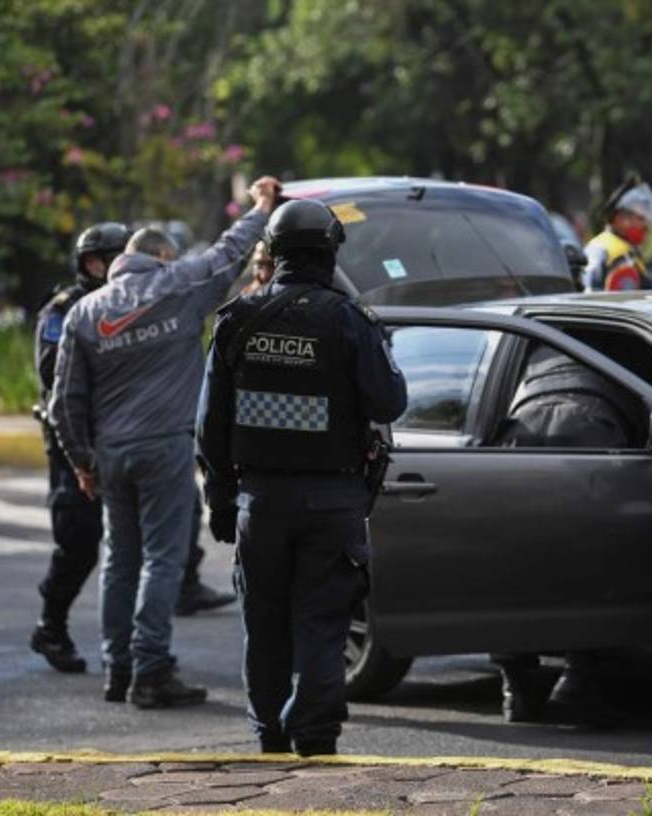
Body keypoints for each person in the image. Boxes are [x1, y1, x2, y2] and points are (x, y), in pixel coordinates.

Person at [49, 176, 281, 708]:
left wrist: (82, 461)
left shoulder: (85, 313)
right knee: (162, 559)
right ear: (158, 255)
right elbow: (230, 252)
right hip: (163, 448)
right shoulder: (176, 284)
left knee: (120, 561)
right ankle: (150, 669)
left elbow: (66, 401)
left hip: (110, 452)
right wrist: (264, 207)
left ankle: (118, 667)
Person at [196, 198, 408, 757]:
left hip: (258, 500)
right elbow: (390, 400)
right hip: (332, 500)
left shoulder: (237, 319)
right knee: (322, 622)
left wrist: (219, 501)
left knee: (263, 624)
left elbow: (210, 426)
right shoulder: (349, 320)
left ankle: (268, 731)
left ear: (276, 251)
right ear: (331, 249)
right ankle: (311, 732)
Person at [490, 343, 637, 726]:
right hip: (588, 437)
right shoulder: (616, 354)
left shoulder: (532, 348)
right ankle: (577, 679)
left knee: (516, 568)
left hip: (520, 437)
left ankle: (516, 688)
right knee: (590, 566)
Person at [29, 223, 127, 673]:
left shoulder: (129, 305)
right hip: (76, 444)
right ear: (92, 263)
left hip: (125, 439)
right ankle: (50, 626)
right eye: (116, 257)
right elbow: (56, 377)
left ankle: (134, 647)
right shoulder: (64, 311)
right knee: (80, 539)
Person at [583, 175, 652, 291]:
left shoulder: (598, 243)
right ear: (620, 219)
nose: (646, 226)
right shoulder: (621, 255)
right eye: (641, 218)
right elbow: (630, 302)